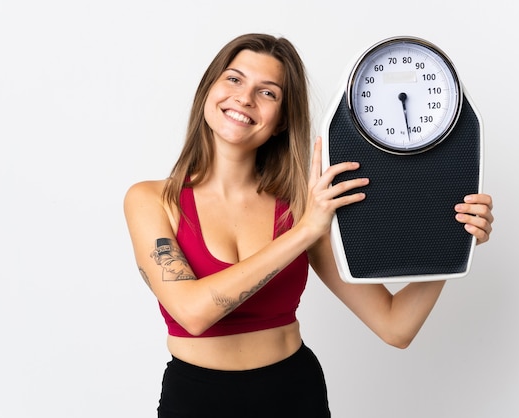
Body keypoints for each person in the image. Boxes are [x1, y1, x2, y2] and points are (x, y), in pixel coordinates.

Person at [123, 33, 494, 418]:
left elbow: (394, 326)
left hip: (294, 395)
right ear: (208, 91)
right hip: (195, 400)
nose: (245, 98)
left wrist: (456, 242)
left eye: (268, 93)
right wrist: (304, 230)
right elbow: (194, 313)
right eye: (234, 79)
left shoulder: (302, 205)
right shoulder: (152, 199)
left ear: (282, 120)